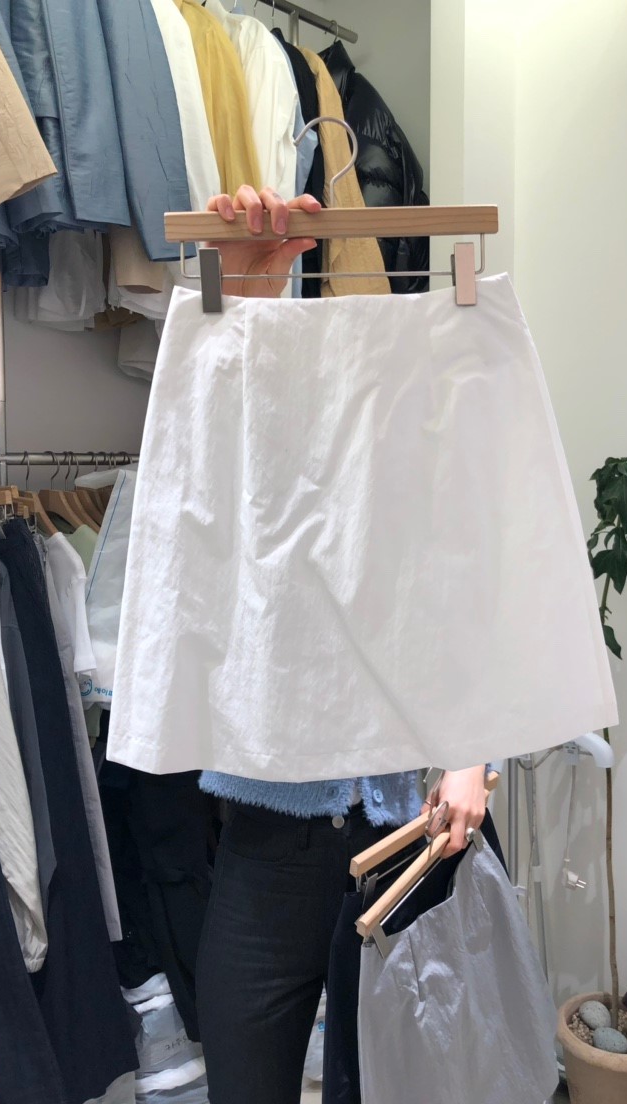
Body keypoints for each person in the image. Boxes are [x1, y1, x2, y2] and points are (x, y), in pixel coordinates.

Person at [195, 185, 491, 1104]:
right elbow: (199, 452)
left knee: (398, 1087)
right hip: (263, 842)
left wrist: (471, 753)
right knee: (243, 1080)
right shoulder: (257, 473)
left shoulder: (426, 475)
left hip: (404, 838)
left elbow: (472, 613)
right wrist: (243, 290)